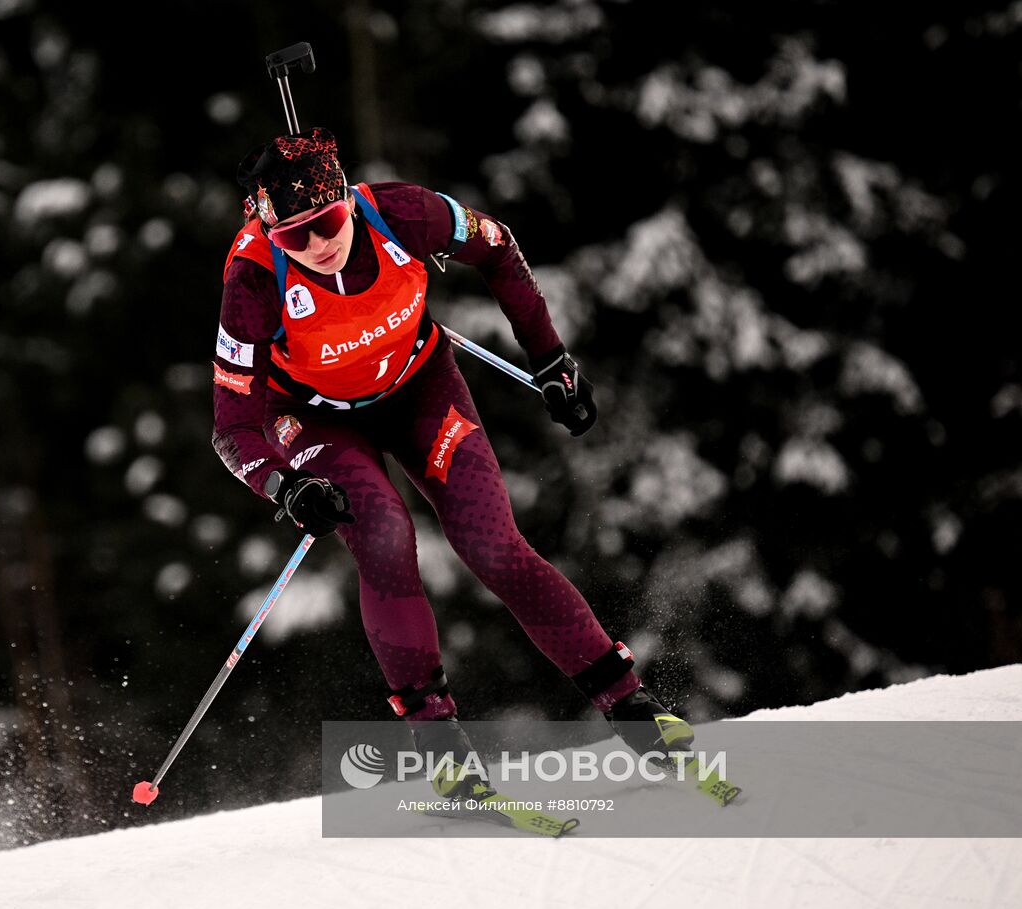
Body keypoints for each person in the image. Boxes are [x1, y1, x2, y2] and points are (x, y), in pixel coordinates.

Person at [211, 126, 690, 805]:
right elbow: (231, 429)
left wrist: (550, 357)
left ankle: (631, 705)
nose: (316, 244)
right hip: (314, 416)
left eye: (326, 222)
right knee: (382, 534)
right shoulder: (254, 279)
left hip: (419, 386)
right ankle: (439, 744)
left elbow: (500, 250)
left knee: (493, 545)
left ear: (347, 198)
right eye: (294, 236)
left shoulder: (404, 213)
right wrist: (284, 485)